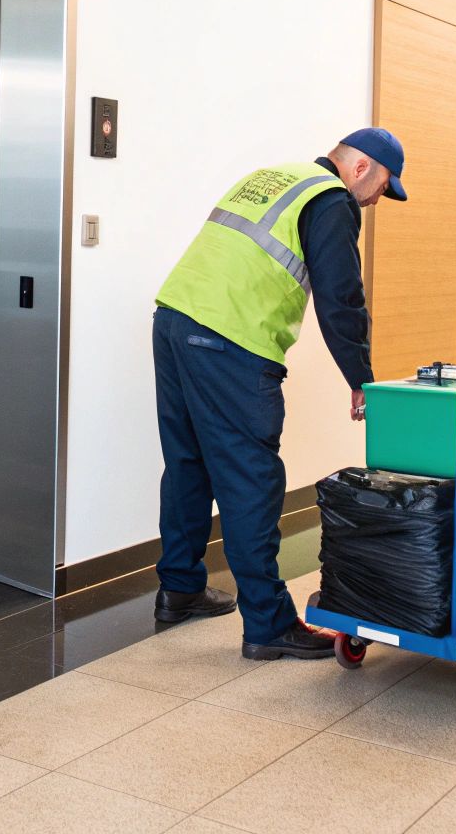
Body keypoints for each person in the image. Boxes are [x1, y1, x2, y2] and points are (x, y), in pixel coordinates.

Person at [151, 128, 407, 660]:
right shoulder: (330, 199)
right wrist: (361, 377)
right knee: (252, 479)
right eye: (384, 185)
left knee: (188, 462)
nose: (380, 198)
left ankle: (179, 589)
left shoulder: (273, 177)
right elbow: (341, 296)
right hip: (228, 340)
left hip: (174, 319)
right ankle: (268, 624)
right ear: (361, 168)